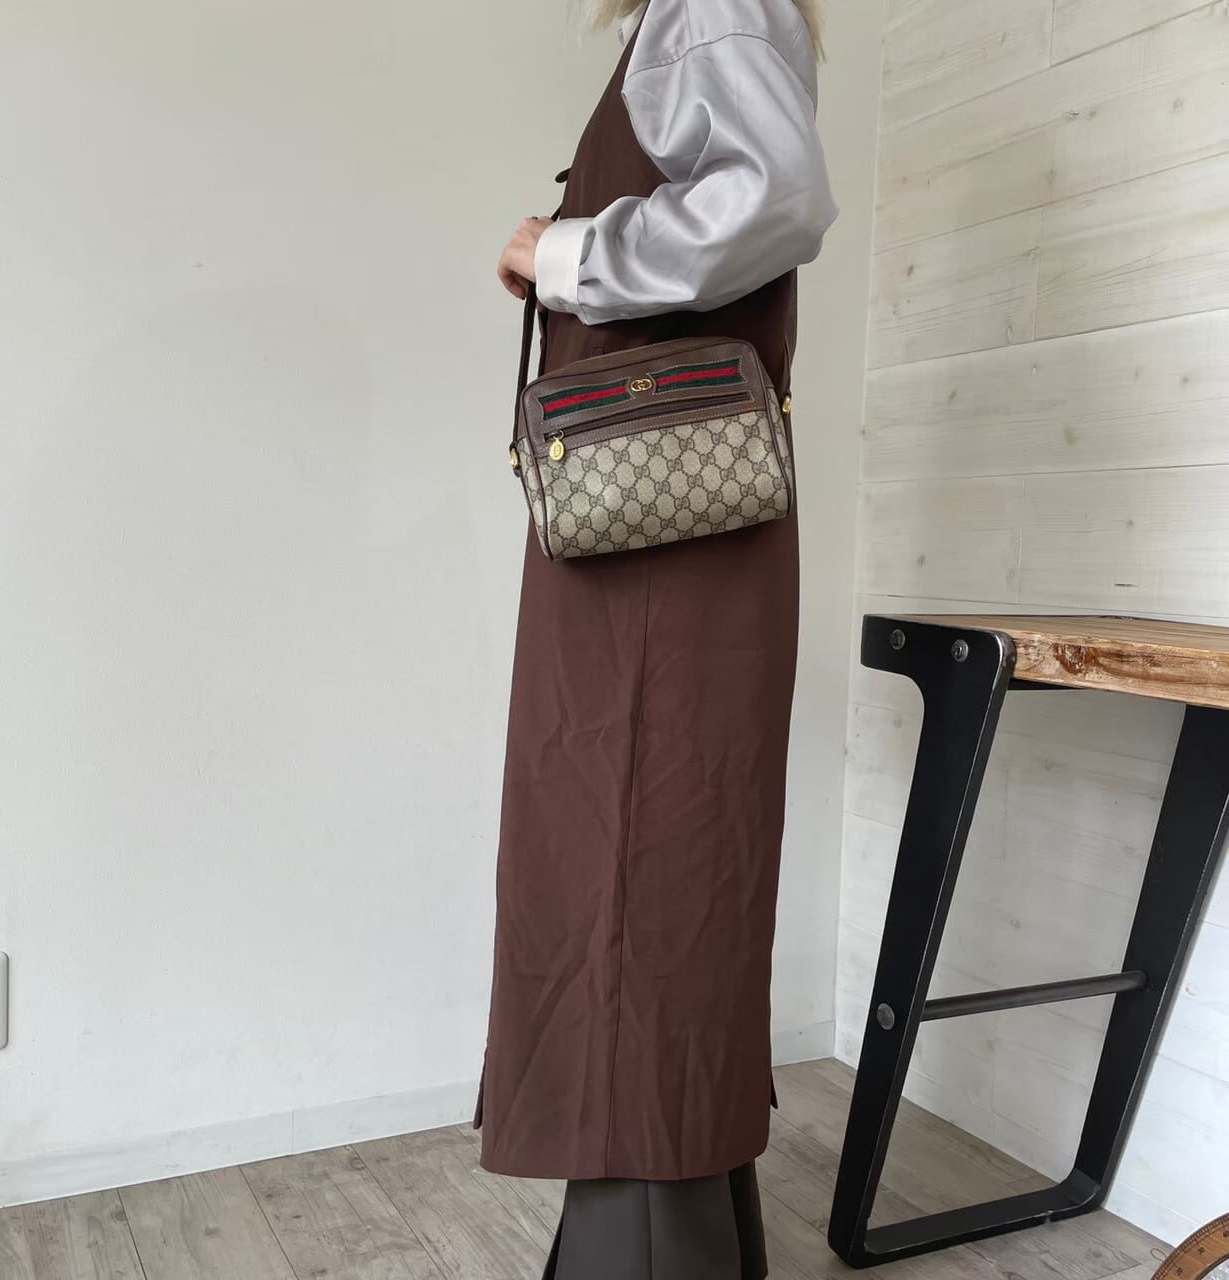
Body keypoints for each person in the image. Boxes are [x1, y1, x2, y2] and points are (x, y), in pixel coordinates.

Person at [477, 0, 837, 1275]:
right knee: (656, 875)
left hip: (659, 553)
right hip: (660, 535)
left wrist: (567, 253)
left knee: (641, 874)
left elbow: (774, 197)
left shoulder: (710, 2)